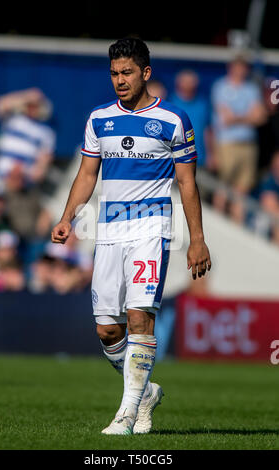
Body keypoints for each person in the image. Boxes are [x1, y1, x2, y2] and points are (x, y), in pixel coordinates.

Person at [51, 37, 211, 435]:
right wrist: (68, 217)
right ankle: (146, 392)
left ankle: (125, 416)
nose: (119, 80)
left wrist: (197, 239)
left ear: (146, 73)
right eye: (114, 74)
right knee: (107, 329)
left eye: (126, 72)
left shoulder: (174, 120)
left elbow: (187, 184)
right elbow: (88, 174)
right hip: (108, 232)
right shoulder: (98, 119)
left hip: (150, 230)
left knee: (140, 317)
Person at [211, 56, 266, 222]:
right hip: (227, 143)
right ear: (231, 67)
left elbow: (260, 117)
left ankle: (236, 226)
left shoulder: (251, 89)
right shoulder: (221, 87)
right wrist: (248, 117)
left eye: (244, 67)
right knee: (223, 187)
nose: (241, 70)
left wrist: (237, 118)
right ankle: (217, 224)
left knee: (242, 191)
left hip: (248, 144)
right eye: (238, 66)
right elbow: (225, 116)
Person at [0, 88, 56, 185]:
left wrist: (22, 173)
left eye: (36, 106)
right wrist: (26, 96)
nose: (32, 109)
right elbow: (0, 105)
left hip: (22, 184)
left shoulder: (47, 133)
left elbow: (41, 167)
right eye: (30, 105)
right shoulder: (13, 119)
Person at [170, 70, 212, 168]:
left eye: (191, 81)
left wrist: (211, 154)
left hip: (199, 159)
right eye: (185, 81)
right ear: (178, 83)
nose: (188, 85)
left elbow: (208, 131)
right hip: (176, 160)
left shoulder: (203, 104)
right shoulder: (170, 103)